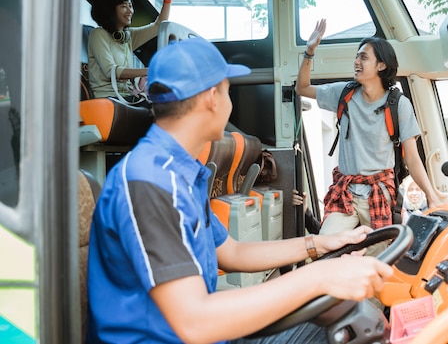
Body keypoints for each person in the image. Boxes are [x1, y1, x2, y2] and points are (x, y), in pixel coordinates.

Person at [87, 37, 394, 344]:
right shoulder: (150, 182)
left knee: (344, 322)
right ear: (212, 98)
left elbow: (232, 252)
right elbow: (194, 322)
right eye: (228, 90)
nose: (229, 101)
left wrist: (320, 244)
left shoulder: (179, 172)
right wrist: (320, 277)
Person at [295, 19, 441, 239]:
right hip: (345, 192)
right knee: (322, 247)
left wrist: (431, 195)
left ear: (381, 65)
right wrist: (309, 51)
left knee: (379, 257)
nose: (356, 61)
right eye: (357, 56)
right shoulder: (344, 94)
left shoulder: (398, 105)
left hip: (379, 193)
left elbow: (412, 157)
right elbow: (302, 88)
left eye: (363, 57)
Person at [87, 0, 174, 105]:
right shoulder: (98, 35)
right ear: (110, 9)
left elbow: (159, 25)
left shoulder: (127, 36)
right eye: (123, 6)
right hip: (108, 98)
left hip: (129, 96)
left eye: (130, 5)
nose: (130, 11)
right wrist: (147, 71)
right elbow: (111, 72)